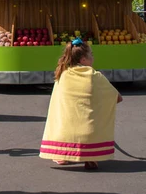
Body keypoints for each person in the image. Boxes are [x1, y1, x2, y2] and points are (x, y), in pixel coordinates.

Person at [39, 39, 123, 170]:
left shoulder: (63, 74)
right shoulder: (94, 76)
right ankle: (90, 156)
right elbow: (117, 98)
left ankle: (62, 155)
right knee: (90, 121)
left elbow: (57, 104)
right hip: (90, 135)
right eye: (91, 54)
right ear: (83, 59)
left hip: (64, 135)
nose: (93, 57)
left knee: (64, 116)